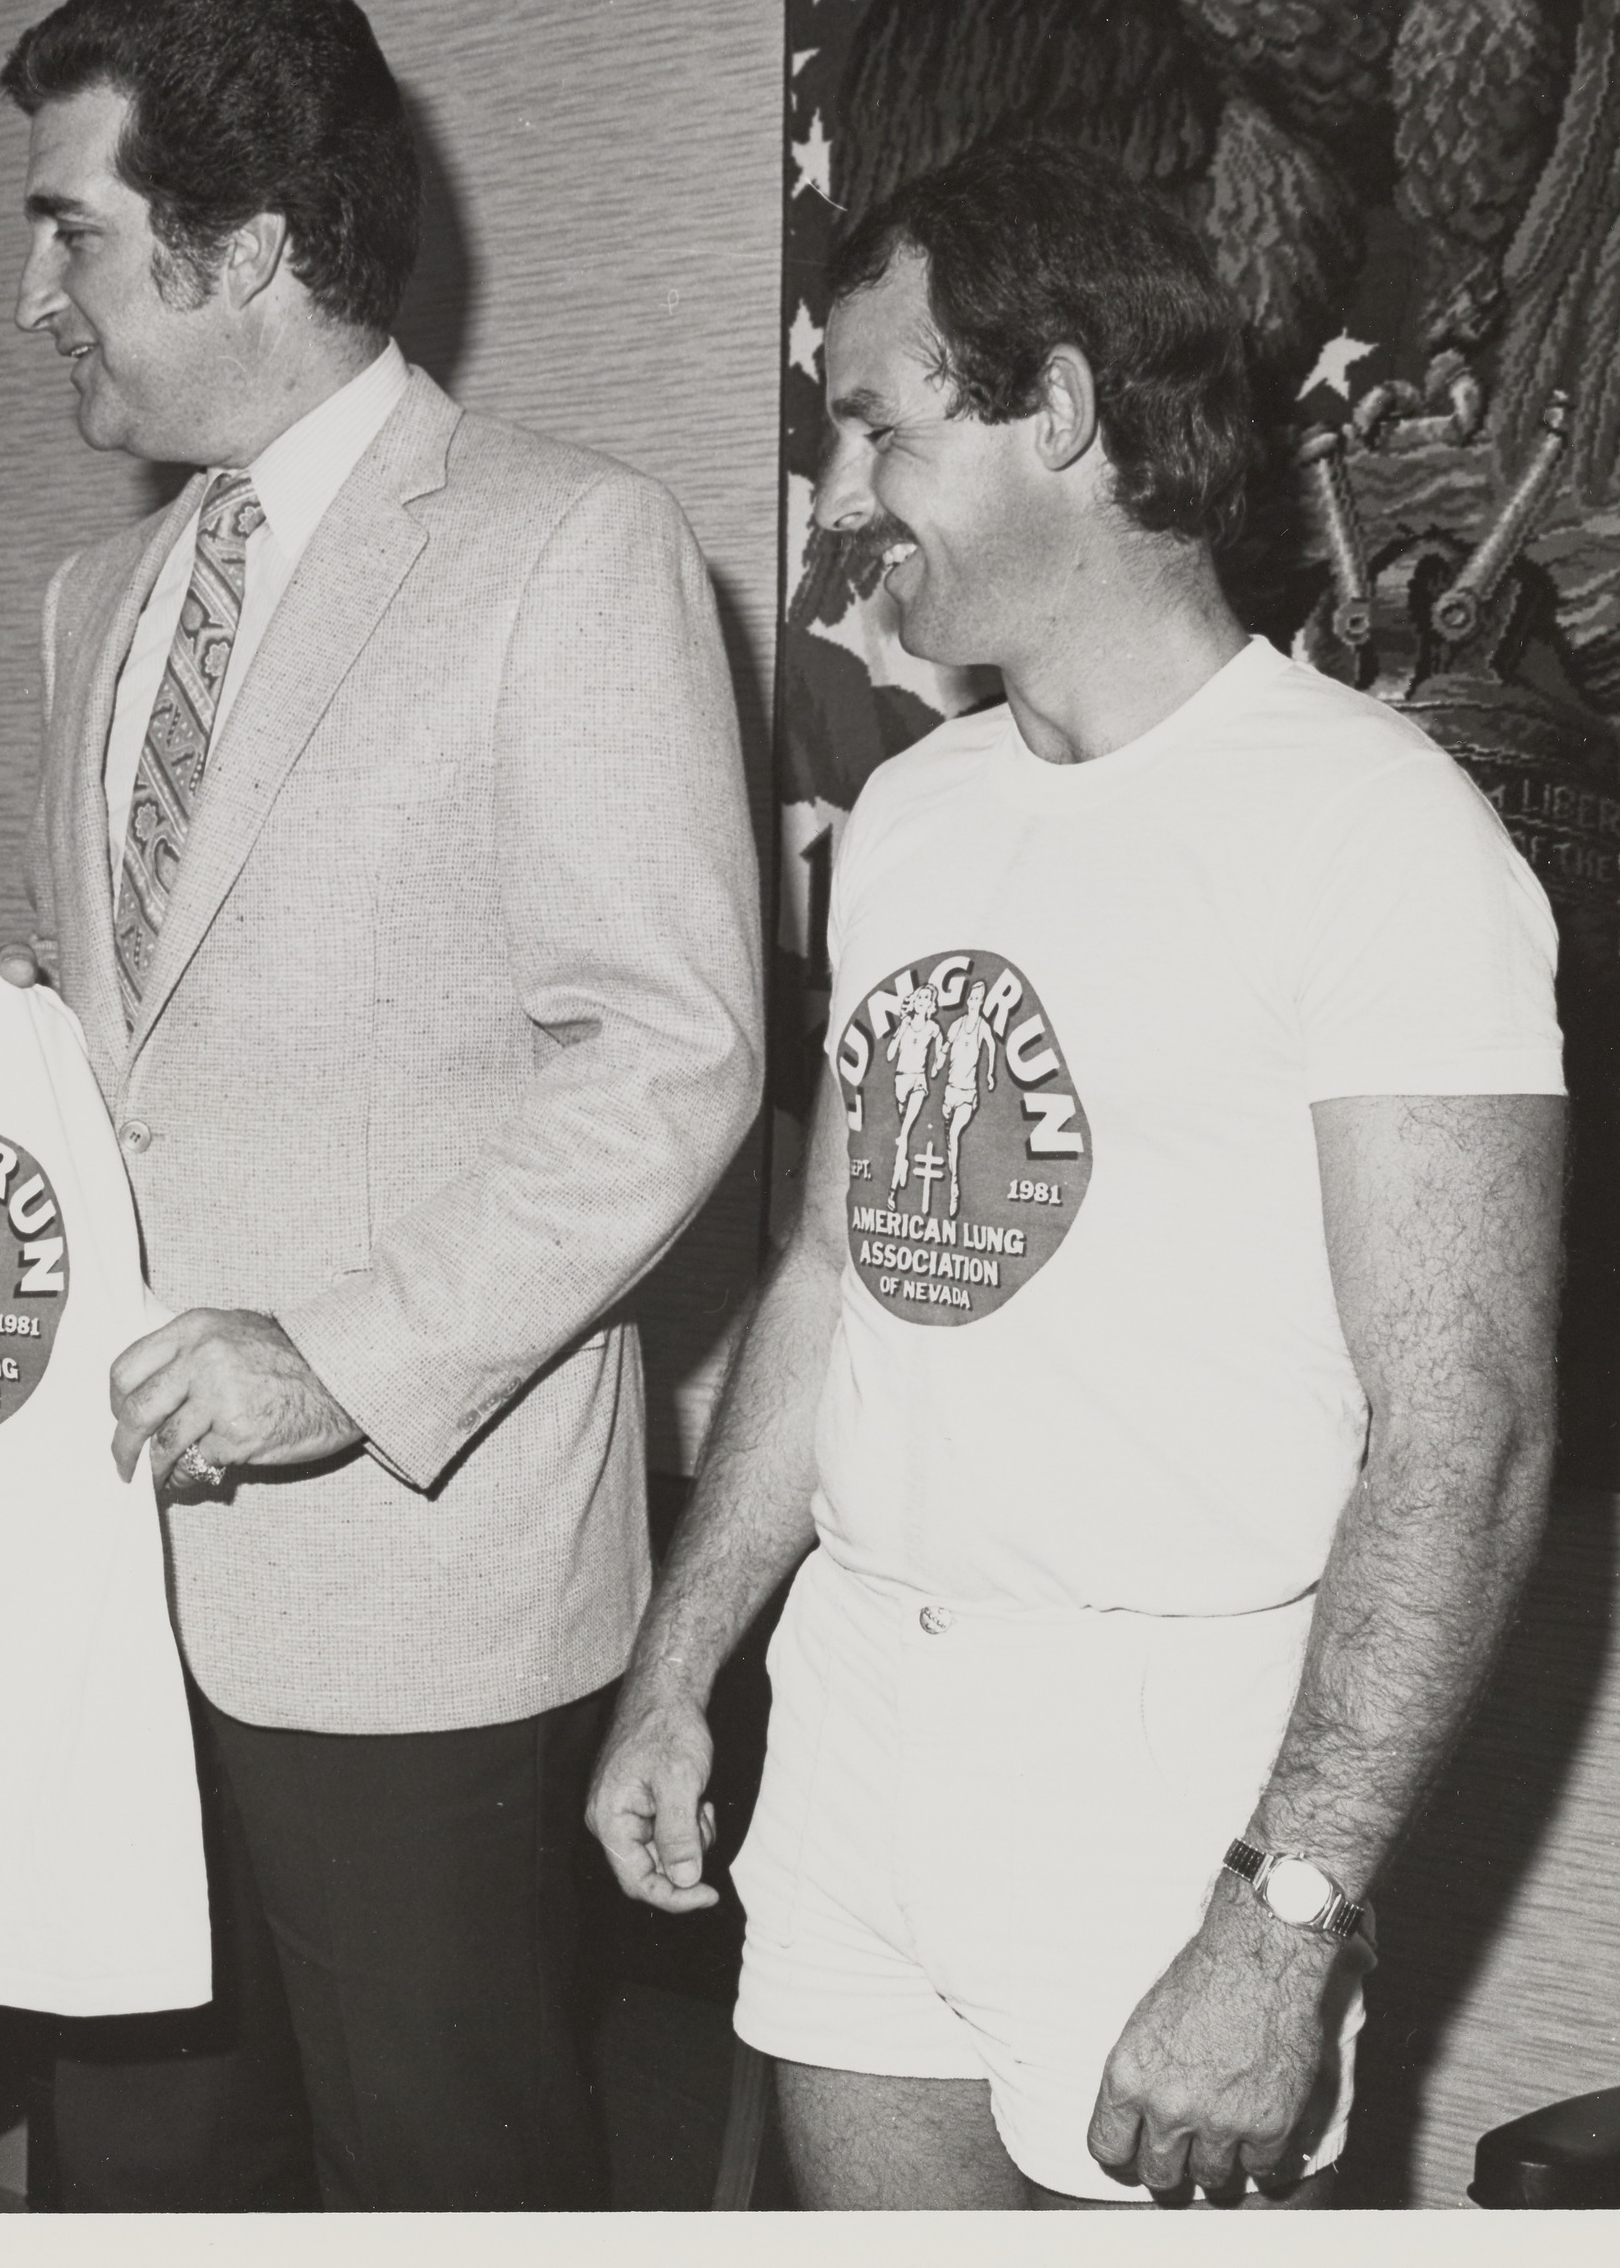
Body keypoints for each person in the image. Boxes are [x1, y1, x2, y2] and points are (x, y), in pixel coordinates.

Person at [586, 141, 1569, 2210]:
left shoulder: (1381, 838)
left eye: (879, 427)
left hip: (1167, 1770)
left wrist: (1282, 1920)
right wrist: (683, 1671)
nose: (843, 503)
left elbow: (1457, 1436)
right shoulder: (917, 817)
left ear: (1063, 408)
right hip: (864, 1714)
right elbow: (838, 1284)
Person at [0, 0, 762, 2209]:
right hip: (103, 1586)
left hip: (416, 1593)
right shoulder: (88, 601)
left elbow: (676, 1053)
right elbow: (113, 1056)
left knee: (449, 2179)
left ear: (237, 247)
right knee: (133, 2170)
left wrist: (339, 1361)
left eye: (72, 229)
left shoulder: (571, 547)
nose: (33, 290)